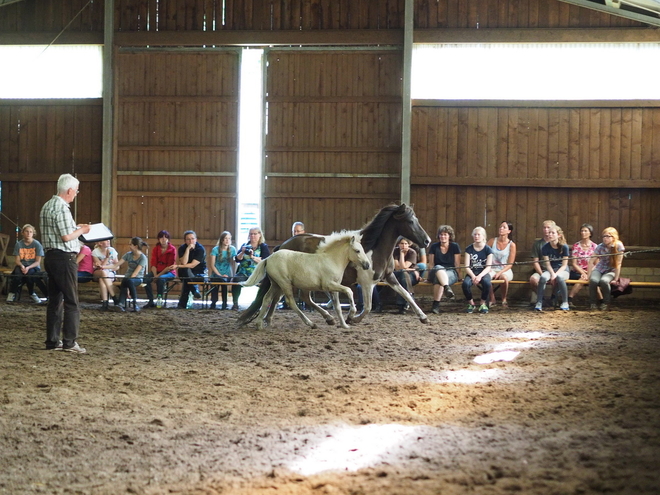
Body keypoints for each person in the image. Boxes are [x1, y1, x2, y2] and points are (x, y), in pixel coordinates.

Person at [39, 173, 91, 353]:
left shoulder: (47, 206)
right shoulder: (62, 208)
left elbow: (60, 231)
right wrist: (83, 230)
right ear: (69, 190)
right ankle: (70, 342)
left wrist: (76, 228)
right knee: (72, 301)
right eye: (76, 191)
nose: (76, 194)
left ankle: (52, 341)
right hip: (64, 258)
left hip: (51, 258)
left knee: (54, 300)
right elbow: (66, 236)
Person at [6, 224, 48, 304]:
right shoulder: (18, 244)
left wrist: (28, 267)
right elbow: (17, 260)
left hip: (33, 266)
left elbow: (37, 262)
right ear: (23, 233)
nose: (28, 233)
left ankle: (32, 293)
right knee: (17, 275)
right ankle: (12, 293)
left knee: (30, 275)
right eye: (27, 231)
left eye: (30, 232)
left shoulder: (37, 244)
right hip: (21, 265)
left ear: (33, 234)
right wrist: (22, 266)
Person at [233, 227, 270, 311]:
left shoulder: (263, 246)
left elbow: (265, 260)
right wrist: (242, 252)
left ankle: (259, 303)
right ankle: (235, 303)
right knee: (236, 280)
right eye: (251, 234)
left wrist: (252, 257)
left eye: (255, 234)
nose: (252, 236)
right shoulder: (245, 246)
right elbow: (237, 259)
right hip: (244, 272)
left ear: (260, 235)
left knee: (267, 282)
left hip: (258, 273)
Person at [588, 227, 625, 311]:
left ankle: (606, 303)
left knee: (604, 281)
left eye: (608, 236)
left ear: (613, 237)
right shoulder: (600, 246)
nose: (605, 238)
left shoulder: (618, 246)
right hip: (600, 268)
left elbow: (618, 264)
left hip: (611, 270)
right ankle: (593, 303)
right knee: (593, 281)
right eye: (604, 236)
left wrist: (616, 279)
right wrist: (589, 275)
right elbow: (591, 261)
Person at [535, 225, 570, 312]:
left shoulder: (564, 247)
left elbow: (564, 265)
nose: (550, 234)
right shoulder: (545, 247)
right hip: (551, 269)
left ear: (559, 235)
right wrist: (552, 273)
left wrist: (556, 274)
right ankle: (539, 302)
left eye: (553, 233)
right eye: (549, 233)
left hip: (562, 270)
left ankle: (565, 302)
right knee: (543, 277)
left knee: (560, 277)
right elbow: (547, 264)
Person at [427, 225, 461, 314]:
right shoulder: (434, 246)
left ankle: (435, 305)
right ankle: (447, 287)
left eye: (445, 234)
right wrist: (428, 277)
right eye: (441, 235)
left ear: (449, 236)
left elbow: (457, 264)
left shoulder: (455, 246)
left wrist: (460, 276)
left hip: (450, 272)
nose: (443, 237)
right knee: (438, 267)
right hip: (436, 270)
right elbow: (431, 264)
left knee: (439, 279)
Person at [170, 230, 206, 309]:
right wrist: (187, 249)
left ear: (196, 239)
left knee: (187, 279)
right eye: (188, 239)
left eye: (193, 239)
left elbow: (193, 265)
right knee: (185, 270)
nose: (191, 241)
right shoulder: (182, 248)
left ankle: (182, 304)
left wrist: (178, 266)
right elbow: (184, 262)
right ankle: (194, 289)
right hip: (185, 273)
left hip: (198, 273)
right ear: (185, 241)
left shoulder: (200, 249)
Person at [462, 226, 494, 314]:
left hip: (483, 272)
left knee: (487, 283)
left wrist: (479, 276)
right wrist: (473, 276)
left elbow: (488, 267)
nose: (476, 236)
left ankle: (482, 303)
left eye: (479, 235)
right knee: (465, 284)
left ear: (483, 236)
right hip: (472, 272)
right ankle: (471, 303)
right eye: (475, 235)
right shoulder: (469, 249)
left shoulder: (488, 249)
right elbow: (466, 266)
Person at [113, 237, 148, 312]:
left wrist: (128, 289)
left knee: (128, 281)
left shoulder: (143, 258)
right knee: (125, 281)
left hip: (137, 278)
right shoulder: (128, 255)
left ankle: (135, 303)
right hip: (128, 278)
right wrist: (103, 267)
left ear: (135, 246)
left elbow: (135, 273)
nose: (129, 246)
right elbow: (116, 265)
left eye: (130, 244)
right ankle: (121, 304)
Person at [143, 230, 177, 308]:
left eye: (166, 237)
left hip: (169, 272)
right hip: (156, 270)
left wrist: (158, 276)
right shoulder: (156, 249)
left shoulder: (172, 249)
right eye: (161, 237)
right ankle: (150, 301)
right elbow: (153, 263)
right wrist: (155, 275)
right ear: (158, 239)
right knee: (146, 279)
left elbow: (170, 266)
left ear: (168, 239)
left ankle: (159, 300)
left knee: (161, 279)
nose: (163, 239)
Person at [487, 221, 516, 308]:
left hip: (505, 269)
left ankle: (504, 299)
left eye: (504, 227)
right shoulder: (492, 241)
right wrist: (488, 268)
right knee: (487, 277)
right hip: (491, 268)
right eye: (500, 227)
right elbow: (485, 254)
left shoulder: (511, 245)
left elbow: (510, 264)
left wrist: (499, 273)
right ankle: (492, 299)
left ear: (509, 231)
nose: (501, 229)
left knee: (504, 278)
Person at [568, 223, 598, 307]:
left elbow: (597, 264)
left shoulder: (595, 246)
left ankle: (570, 298)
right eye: (582, 231)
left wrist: (589, 272)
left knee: (591, 279)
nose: (583, 233)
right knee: (583, 278)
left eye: (585, 231)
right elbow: (574, 263)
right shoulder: (576, 246)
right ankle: (569, 299)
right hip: (577, 271)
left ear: (590, 233)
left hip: (591, 271)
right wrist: (583, 272)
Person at [529, 220, 557, 305]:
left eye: (548, 227)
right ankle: (541, 297)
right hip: (542, 270)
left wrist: (554, 274)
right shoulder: (538, 244)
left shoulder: (558, 244)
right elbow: (535, 262)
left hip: (555, 270)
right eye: (544, 227)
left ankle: (554, 298)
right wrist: (541, 274)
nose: (546, 230)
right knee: (533, 279)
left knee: (559, 279)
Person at [279, 221, 306, 310]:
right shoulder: (288, 244)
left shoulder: (306, 245)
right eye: (294, 231)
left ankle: (307, 302)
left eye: (298, 231)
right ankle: (286, 302)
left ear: (303, 232)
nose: (296, 233)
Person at [209, 231, 237, 310]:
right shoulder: (215, 249)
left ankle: (224, 303)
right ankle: (213, 302)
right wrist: (219, 274)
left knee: (224, 282)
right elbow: (212, 265)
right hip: (216, 271)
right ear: (222, 240)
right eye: (225, 238)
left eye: (229, 238)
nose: (227, 240)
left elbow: (235, 261)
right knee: (215, 283)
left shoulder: (232, 249)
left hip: (227, 271)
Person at [393, 237, 419, 314]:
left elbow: (403, 267)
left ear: (409, 244)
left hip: (412, 275)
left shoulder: (412, 252)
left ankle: (401, 305)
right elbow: (398, 268)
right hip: (399, 274)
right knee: (403, 274)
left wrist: (408, 269)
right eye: (401, 243)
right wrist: (401, 254)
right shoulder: (395, 251)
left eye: (405, 243)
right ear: (398, 244)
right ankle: (409, 297)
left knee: (403, 275)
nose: (404, 246)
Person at [92, 239, 120, 310]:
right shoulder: (95, 252)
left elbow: (117, 266)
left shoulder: (112, 250)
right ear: (100, 243)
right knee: (103, 273)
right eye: (106, 241)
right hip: (98, 272)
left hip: (110, 272)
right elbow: (100, 268)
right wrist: (107, 258)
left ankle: (105, 303)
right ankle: (114, 298)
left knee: (102, 278)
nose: (109, 241)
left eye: (108, 240)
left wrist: (109, 268)